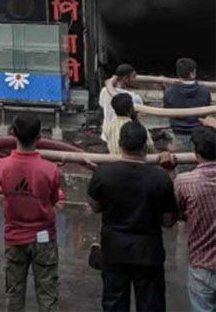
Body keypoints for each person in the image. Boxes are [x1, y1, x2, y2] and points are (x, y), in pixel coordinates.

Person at [88, 121, 178, 312]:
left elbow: (95, 207)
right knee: (151, 305)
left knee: (114, 305)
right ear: (145, 146)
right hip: (148, 252)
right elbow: (169, 221)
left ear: (120, 144)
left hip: (114, 249)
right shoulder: (160, 178)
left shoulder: (103, 173)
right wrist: (170, 173)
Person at [0, 113, 61, 312]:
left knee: (14, 292)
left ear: (12, 133)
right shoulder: (51, 170)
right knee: (47, 294)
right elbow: (54, 199)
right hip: (44, 238)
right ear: (40, 136)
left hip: (14, 237)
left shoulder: (1, 166)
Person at [173, 123, 216, 312]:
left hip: (202, 264)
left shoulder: (185, 182)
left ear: (196, 153)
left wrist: (167, 172)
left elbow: (172, 214)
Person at [164, 58, 212, 155]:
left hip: (178, 136)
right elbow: (207, 111)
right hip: (200, 136)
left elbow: (167, 108)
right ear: (193, 73)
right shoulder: (205, 91)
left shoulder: (169, 92)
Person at [99, 63, 143, 140]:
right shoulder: (133, 97)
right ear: (126, 78)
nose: (135, 79)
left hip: (106, 135)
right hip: (124, 137)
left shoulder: (104, 91)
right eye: (134, 77)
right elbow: (139, 115)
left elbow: (102, 105)